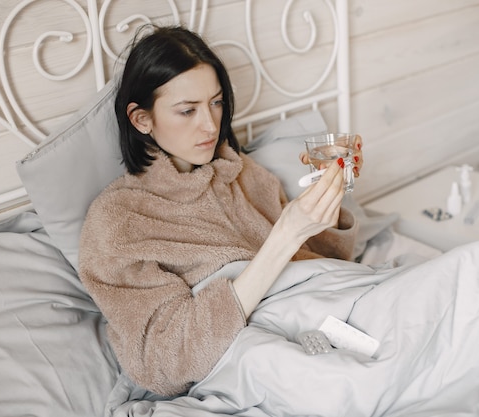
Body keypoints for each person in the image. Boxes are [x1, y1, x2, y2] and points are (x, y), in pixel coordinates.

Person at [78, 25, 364, 397]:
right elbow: (165, 363)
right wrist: (285, 235)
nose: (210, 125)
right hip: (258, 355)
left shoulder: (242, 172)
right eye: (187, 110)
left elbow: (326, 259)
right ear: (141, 119)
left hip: (327, 306)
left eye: (215, 102)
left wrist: (331, 192)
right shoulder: (118, 221)